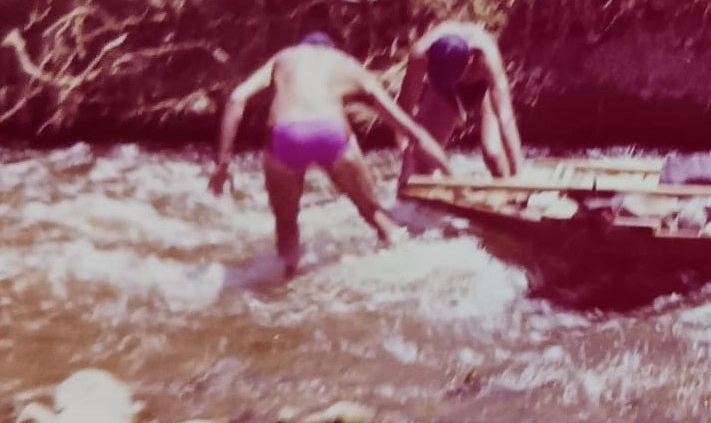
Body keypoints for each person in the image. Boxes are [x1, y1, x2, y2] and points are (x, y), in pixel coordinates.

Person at [208, 32, 454, 275]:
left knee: (286, 226)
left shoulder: (285, 57)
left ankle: (289, 279)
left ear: (303, 47)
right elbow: (410, 130)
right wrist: (448, 173)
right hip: (331, 132)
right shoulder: (346, 64)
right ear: (331, 50)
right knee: (375, 214)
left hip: (284, 136)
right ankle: (409, 267)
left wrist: (223, 164)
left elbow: (236, 98)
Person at [395, 20, 524, 188]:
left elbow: (505, 116)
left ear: (470, 59)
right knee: (421, 165)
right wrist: (406, 157)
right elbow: (403, 111)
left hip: (483, 89)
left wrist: (518, 176)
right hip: (443, 92)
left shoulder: (485, 54)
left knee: (492, 153)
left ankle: (510, 196)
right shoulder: (420, 55)